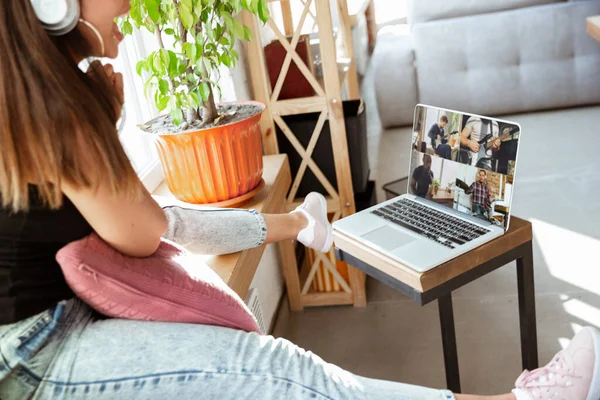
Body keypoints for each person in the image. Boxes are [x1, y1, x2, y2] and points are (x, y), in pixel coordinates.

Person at [1, 2, 599, 400]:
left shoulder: (35, 92)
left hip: (53, 316)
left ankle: (302, 223)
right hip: (34, 350)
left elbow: (150, 223)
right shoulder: (56, 104)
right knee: (291, 375)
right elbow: (143, 231)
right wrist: (105, 115)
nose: (130, 5)